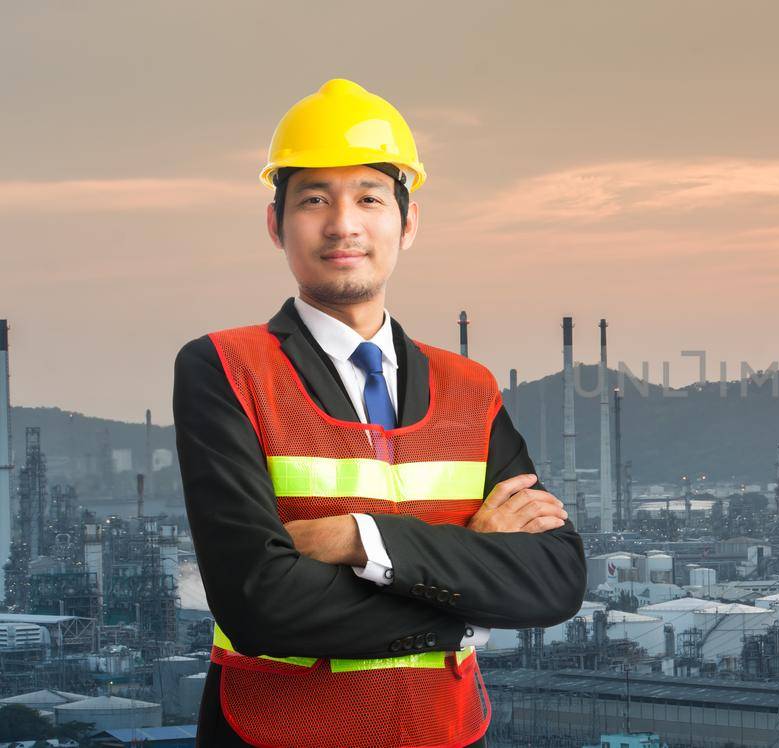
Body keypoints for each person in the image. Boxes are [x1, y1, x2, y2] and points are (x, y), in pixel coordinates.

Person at [173, 78, 586, 747]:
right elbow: (260, 602)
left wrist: (356, 540)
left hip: (446, 731)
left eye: (369, 198)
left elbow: (555, 581)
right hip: (275, 735)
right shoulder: (226, 368)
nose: (344, 224)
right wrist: (466, 594)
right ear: (276, 224)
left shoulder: (468, 387)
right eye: (314, 200)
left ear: (408, 222)